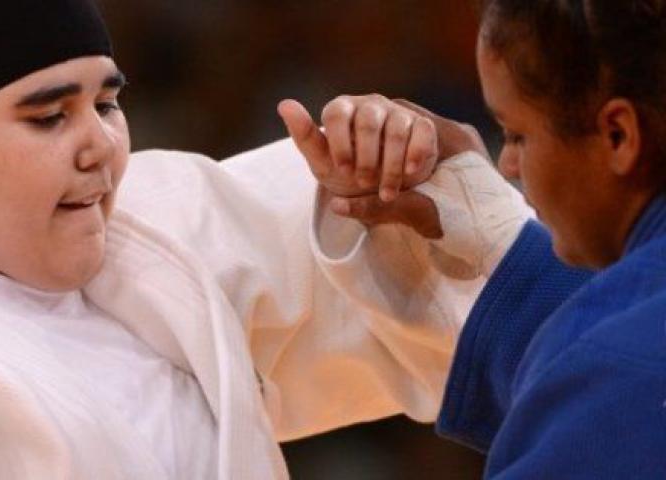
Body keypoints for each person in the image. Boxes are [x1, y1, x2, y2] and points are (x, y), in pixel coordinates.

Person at [0, 1, 511, 479]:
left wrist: (392, 165)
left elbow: (466, 321)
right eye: (49, 116)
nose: (100, 146)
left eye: (106, 105)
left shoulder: (151, 227)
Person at [285, 0, 666, 477]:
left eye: (516, 134)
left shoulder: (615, 373)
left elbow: (617, 371)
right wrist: (504, 243)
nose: (507, 164)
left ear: (618, 135)